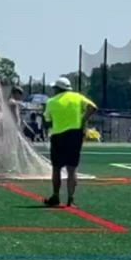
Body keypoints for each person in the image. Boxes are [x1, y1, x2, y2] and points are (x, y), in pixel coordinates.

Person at [43, 76, 97, 208]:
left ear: (57, 89)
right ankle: (70, 199)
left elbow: (47, 120)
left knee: (56, 168)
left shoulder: (51, 101)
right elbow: (93, 107)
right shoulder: (77, 97)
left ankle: (56, 196)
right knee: (72, 169)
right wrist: (82, 120)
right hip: (75, 134)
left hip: (58, 135)